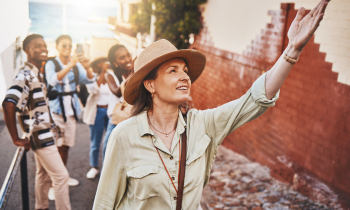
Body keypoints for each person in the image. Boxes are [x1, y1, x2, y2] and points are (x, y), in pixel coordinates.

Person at [93, 0, 330, 209]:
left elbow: (254, 99)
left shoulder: (203, 125)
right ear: (150, 85)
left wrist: (292, 50)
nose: (184, 76)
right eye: (172, 71)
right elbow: (104, 204)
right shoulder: (124, 136)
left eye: (185, 70)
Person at [2, 34, 71, 210]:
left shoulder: (36, 74)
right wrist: (16, 139)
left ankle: (41, 207)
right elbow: (8, 103)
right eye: (37, 46)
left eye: (44, 46)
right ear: (27, 51)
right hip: (41, 137)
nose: (43, 49)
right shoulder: (25, 74)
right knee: (61, 176)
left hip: (45, 134)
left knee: (43, 175)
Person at [45, 35, 95, 188]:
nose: (67, 48)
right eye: (64, 45)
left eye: (69, 45)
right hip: (56, 111)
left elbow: (90, 80)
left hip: (71, 112)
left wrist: (86, 67)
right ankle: (55, 184)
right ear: (57, 46)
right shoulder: (51, 63)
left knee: (66, 146)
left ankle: (62, 177)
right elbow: (52, 80)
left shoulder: (75, 64)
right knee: (56, 148)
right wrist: (70, 65)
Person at [101, 44, 133, 161]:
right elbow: (118, 92)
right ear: (115, 63)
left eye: (128, 55)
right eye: (122, 58)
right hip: (116, 121)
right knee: (109, 152)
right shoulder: (110, 75)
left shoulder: (136, 74)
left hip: (133, 119)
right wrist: (133, 72)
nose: (127, 59)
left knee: (129, 155)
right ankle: (106, 178)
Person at [83, 56, 111, 179]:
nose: (102, 64)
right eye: (99, 62)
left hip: (111, 111)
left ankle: (107, 168)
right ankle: (94, 167)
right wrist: (103, 73)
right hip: (97, 111)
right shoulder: (91, 76)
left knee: (110, 141)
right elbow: (95, 90)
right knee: (96, 142)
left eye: (103, 61)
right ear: (95, 64)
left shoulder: (111, 75)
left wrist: (107, 72)